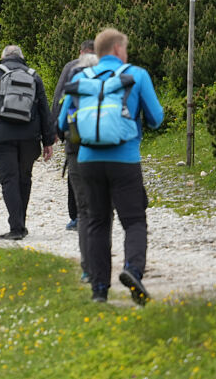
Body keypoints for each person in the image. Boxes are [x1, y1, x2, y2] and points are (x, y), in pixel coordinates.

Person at [60, 28, 164, 306]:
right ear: (118, 49)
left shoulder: (81, 78)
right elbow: (156, 118)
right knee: (133, 220)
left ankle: (99, 290)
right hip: (125, 159)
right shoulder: (136, 75)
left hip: (88, 162)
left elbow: (62, 123)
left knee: (96, 222)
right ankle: (132, 270)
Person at [0, 45, 56, 240]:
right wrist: (48, 141)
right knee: (24, 179)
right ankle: (21, 223)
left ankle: (16, 227)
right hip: (29, 137)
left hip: (2, 137)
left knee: (9, 180)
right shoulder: (34, 76)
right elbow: (43, 109)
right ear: (22, 58)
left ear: (2, 57)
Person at [52, 39, 97, 281]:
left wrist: (55, 132)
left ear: (80, 51)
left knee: (75, 173)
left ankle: (75, 217)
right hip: (103, 136)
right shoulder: (107, 68)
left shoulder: (71, 67)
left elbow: (61, 96)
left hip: (75, 134)